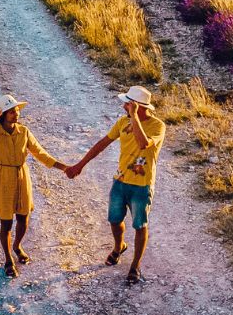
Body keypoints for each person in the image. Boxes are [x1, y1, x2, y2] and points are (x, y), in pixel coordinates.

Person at [66, 86, 165, 284]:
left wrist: (135, 116)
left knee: (140, 225)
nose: (124, 106)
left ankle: (135, 265)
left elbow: (144, 144)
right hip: (120, 180)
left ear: (137, 106)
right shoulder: (122, 122)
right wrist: (80, 164)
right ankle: (119, 246)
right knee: (114, 219)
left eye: (127, 103)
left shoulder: (157, 126)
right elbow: (102, 143)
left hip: (142, 185)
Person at [0, 94, 69, 278]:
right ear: (2, 116)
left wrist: (63, 167)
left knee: (24, 217)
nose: (16, 114)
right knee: (6, 222)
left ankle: (17, 245)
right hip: (3, 177)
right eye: (11, 112)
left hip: (22, 175)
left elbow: (40, 153)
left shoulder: (24, 131)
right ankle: (8, 259)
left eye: (16, 110)